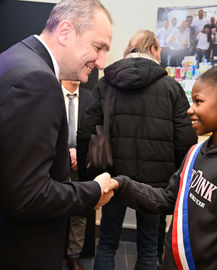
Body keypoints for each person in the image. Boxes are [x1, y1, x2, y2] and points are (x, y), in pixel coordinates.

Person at [112, 65, 217, 270]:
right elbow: (168, 199)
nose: (190, 109)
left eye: (198, 101)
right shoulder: (195, 152)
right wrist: (120, 184)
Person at [0, 1, 118, 270]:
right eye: (98, 47)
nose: (102, 62)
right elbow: (26, 194)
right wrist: (93, 191)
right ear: (65, 32)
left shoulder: (15, 57)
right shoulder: (37, 81)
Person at [77, 29, 197, 270]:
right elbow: (186, 141)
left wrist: (86, 178)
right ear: (153, 50)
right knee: (149, 245)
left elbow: (86, 132)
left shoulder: (105, 84)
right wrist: (177, 181)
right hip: (156, 184)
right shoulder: (172, 88)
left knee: (107, 242)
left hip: (110, 176)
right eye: (160, 51)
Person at [61, 80, 95, 270]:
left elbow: (98, 133)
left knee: (80, 212)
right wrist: (66, 153)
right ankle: (54, 252)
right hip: (54, 164)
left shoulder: (91, 98)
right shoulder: (51, 93)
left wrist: (79, 153)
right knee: (54, 207)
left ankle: (74, 256)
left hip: (82, 165)